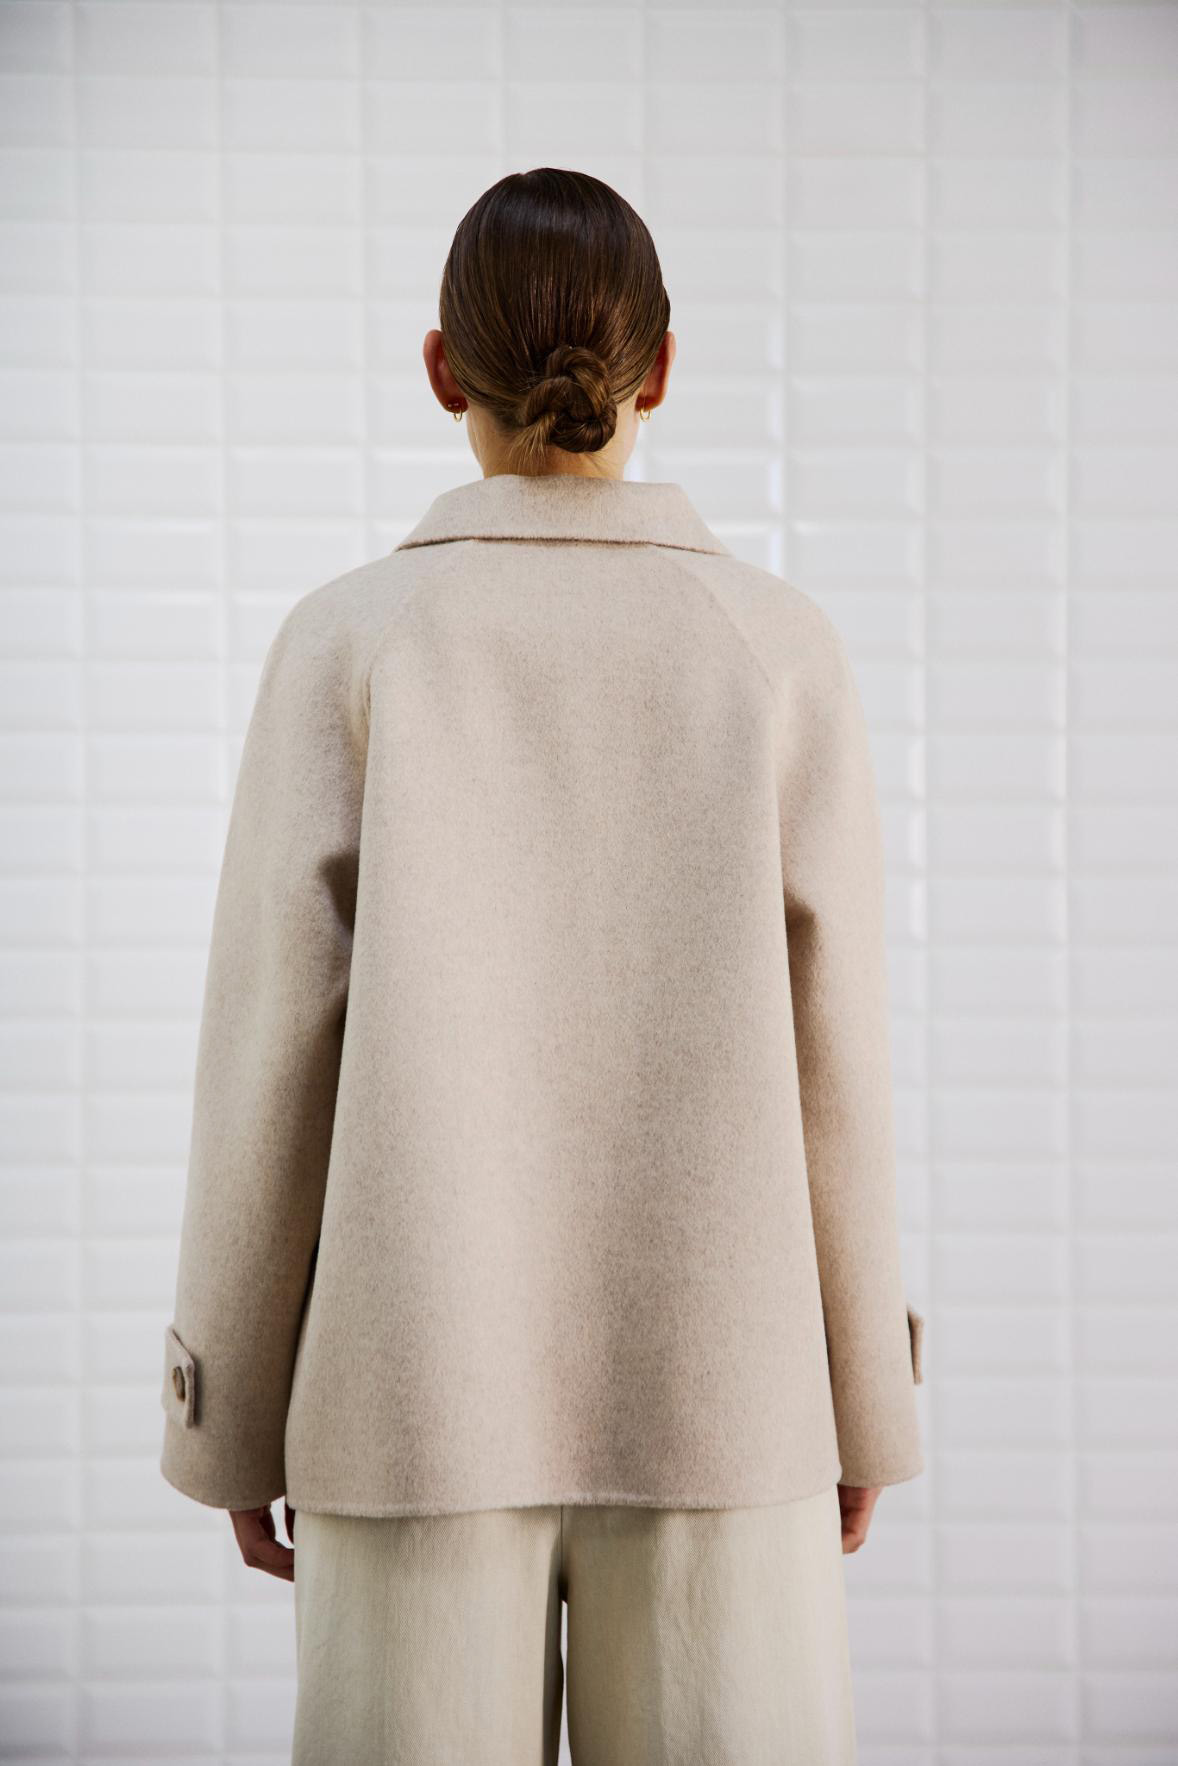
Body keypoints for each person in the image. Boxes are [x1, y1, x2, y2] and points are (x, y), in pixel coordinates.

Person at [159, 166, 925, 1765]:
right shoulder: (775, 649)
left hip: (408, 1400)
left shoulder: (352, 641)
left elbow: (270, 1052)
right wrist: (864, 1395)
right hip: (729, 1404)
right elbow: (836, 1059)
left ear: (443, 368)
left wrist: (229, 1409)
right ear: (662, 369)